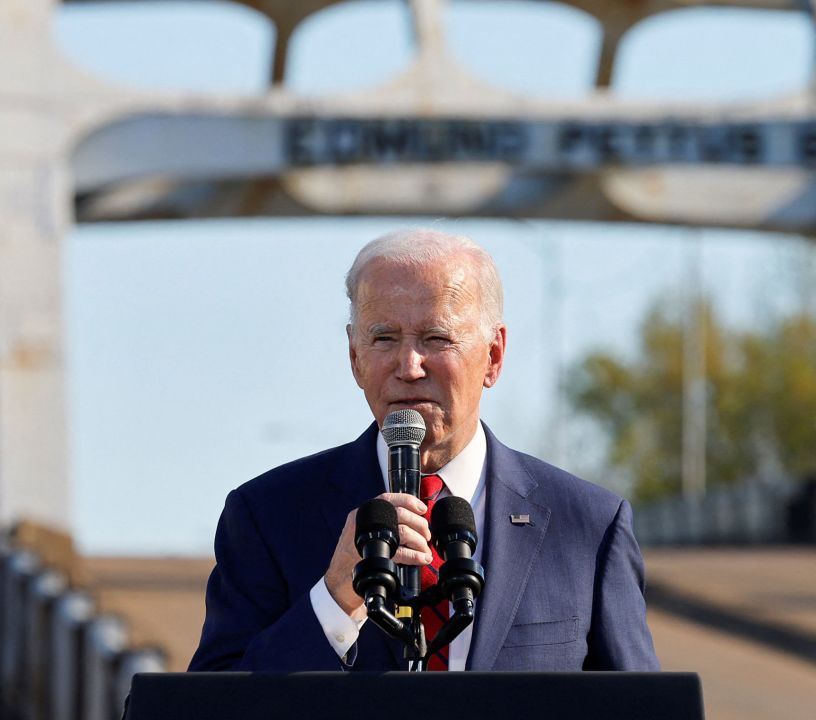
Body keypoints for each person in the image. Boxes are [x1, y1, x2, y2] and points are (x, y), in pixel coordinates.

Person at [188, 228, 659, 672]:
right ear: (355, 357)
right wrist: (334, 600)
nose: (409, 366)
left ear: (493, 357)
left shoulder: (589, 526)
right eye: (383, 339)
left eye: (436, 338)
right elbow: (208, 709)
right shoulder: (267, 515)